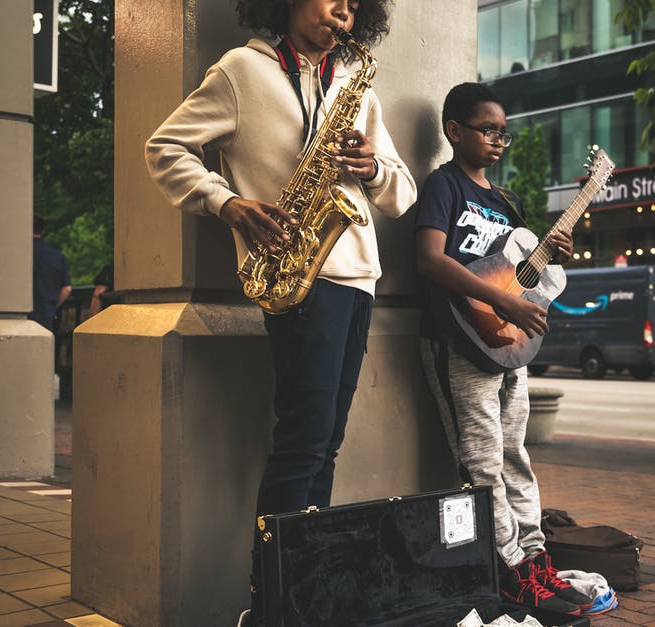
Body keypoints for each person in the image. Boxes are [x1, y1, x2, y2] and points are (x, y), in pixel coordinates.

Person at [142, 2, 416, 625]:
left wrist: (372, 168)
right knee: (302, 445)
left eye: (354, 2)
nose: (343, 10)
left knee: (326, 445)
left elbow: (403, 193)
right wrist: (227, 203)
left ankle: (304, 593)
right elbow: (165, 149)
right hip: (298, 278)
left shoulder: (356, 79)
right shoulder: (243, 70)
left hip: (357, 280)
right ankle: (269, 603)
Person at [415, 82, 592, 615]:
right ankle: (508, 572)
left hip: (509, 345)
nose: (497, 140)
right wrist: (502, 302)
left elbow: (523, 273)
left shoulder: (506, 201)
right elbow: (429, 261)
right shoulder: (443, 186)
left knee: (516, 456)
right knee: (483, 463)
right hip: (458, 341)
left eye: (503, 133)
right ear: (455, 131)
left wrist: (552, 251)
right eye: (488, 129)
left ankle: (536, 563)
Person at [30, 214, 71, 332]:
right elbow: (67, 289)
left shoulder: (20, 253)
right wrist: (53, 306)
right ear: (43, 230)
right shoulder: (57, 256)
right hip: (46, 313)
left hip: (22, 314)